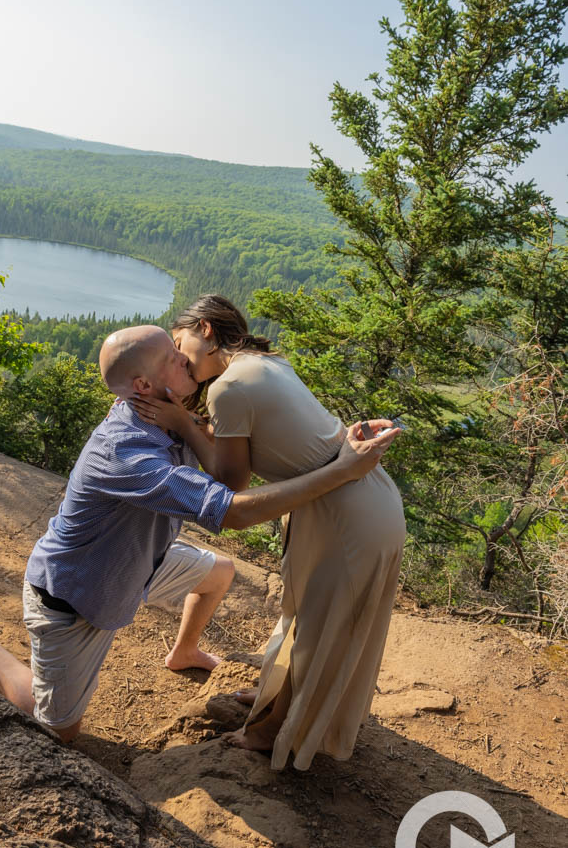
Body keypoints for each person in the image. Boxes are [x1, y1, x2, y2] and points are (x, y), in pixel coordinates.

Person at [0, 324, 398, 744]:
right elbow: (233, 511)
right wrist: (342, 470)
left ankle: (184, 651)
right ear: (143, 385)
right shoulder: (127, 453)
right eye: (172, 357)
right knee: (58, 732)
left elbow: (232, 456)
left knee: (218, 573)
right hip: (76, 597)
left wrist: (337, 444)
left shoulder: (163, 412)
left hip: (140, 563)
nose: (185, 359)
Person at [130, 300, 406, 771]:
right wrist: (195, 422)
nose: (181, 360)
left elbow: (230, 480)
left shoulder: (231, 387)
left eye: (180, 347)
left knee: (319, 626)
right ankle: (278, 697)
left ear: (205, 329)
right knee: (304, 616)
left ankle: (274, 732)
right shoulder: (266, 363)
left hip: (344, 513)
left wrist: (181, 424)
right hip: (358, 498)